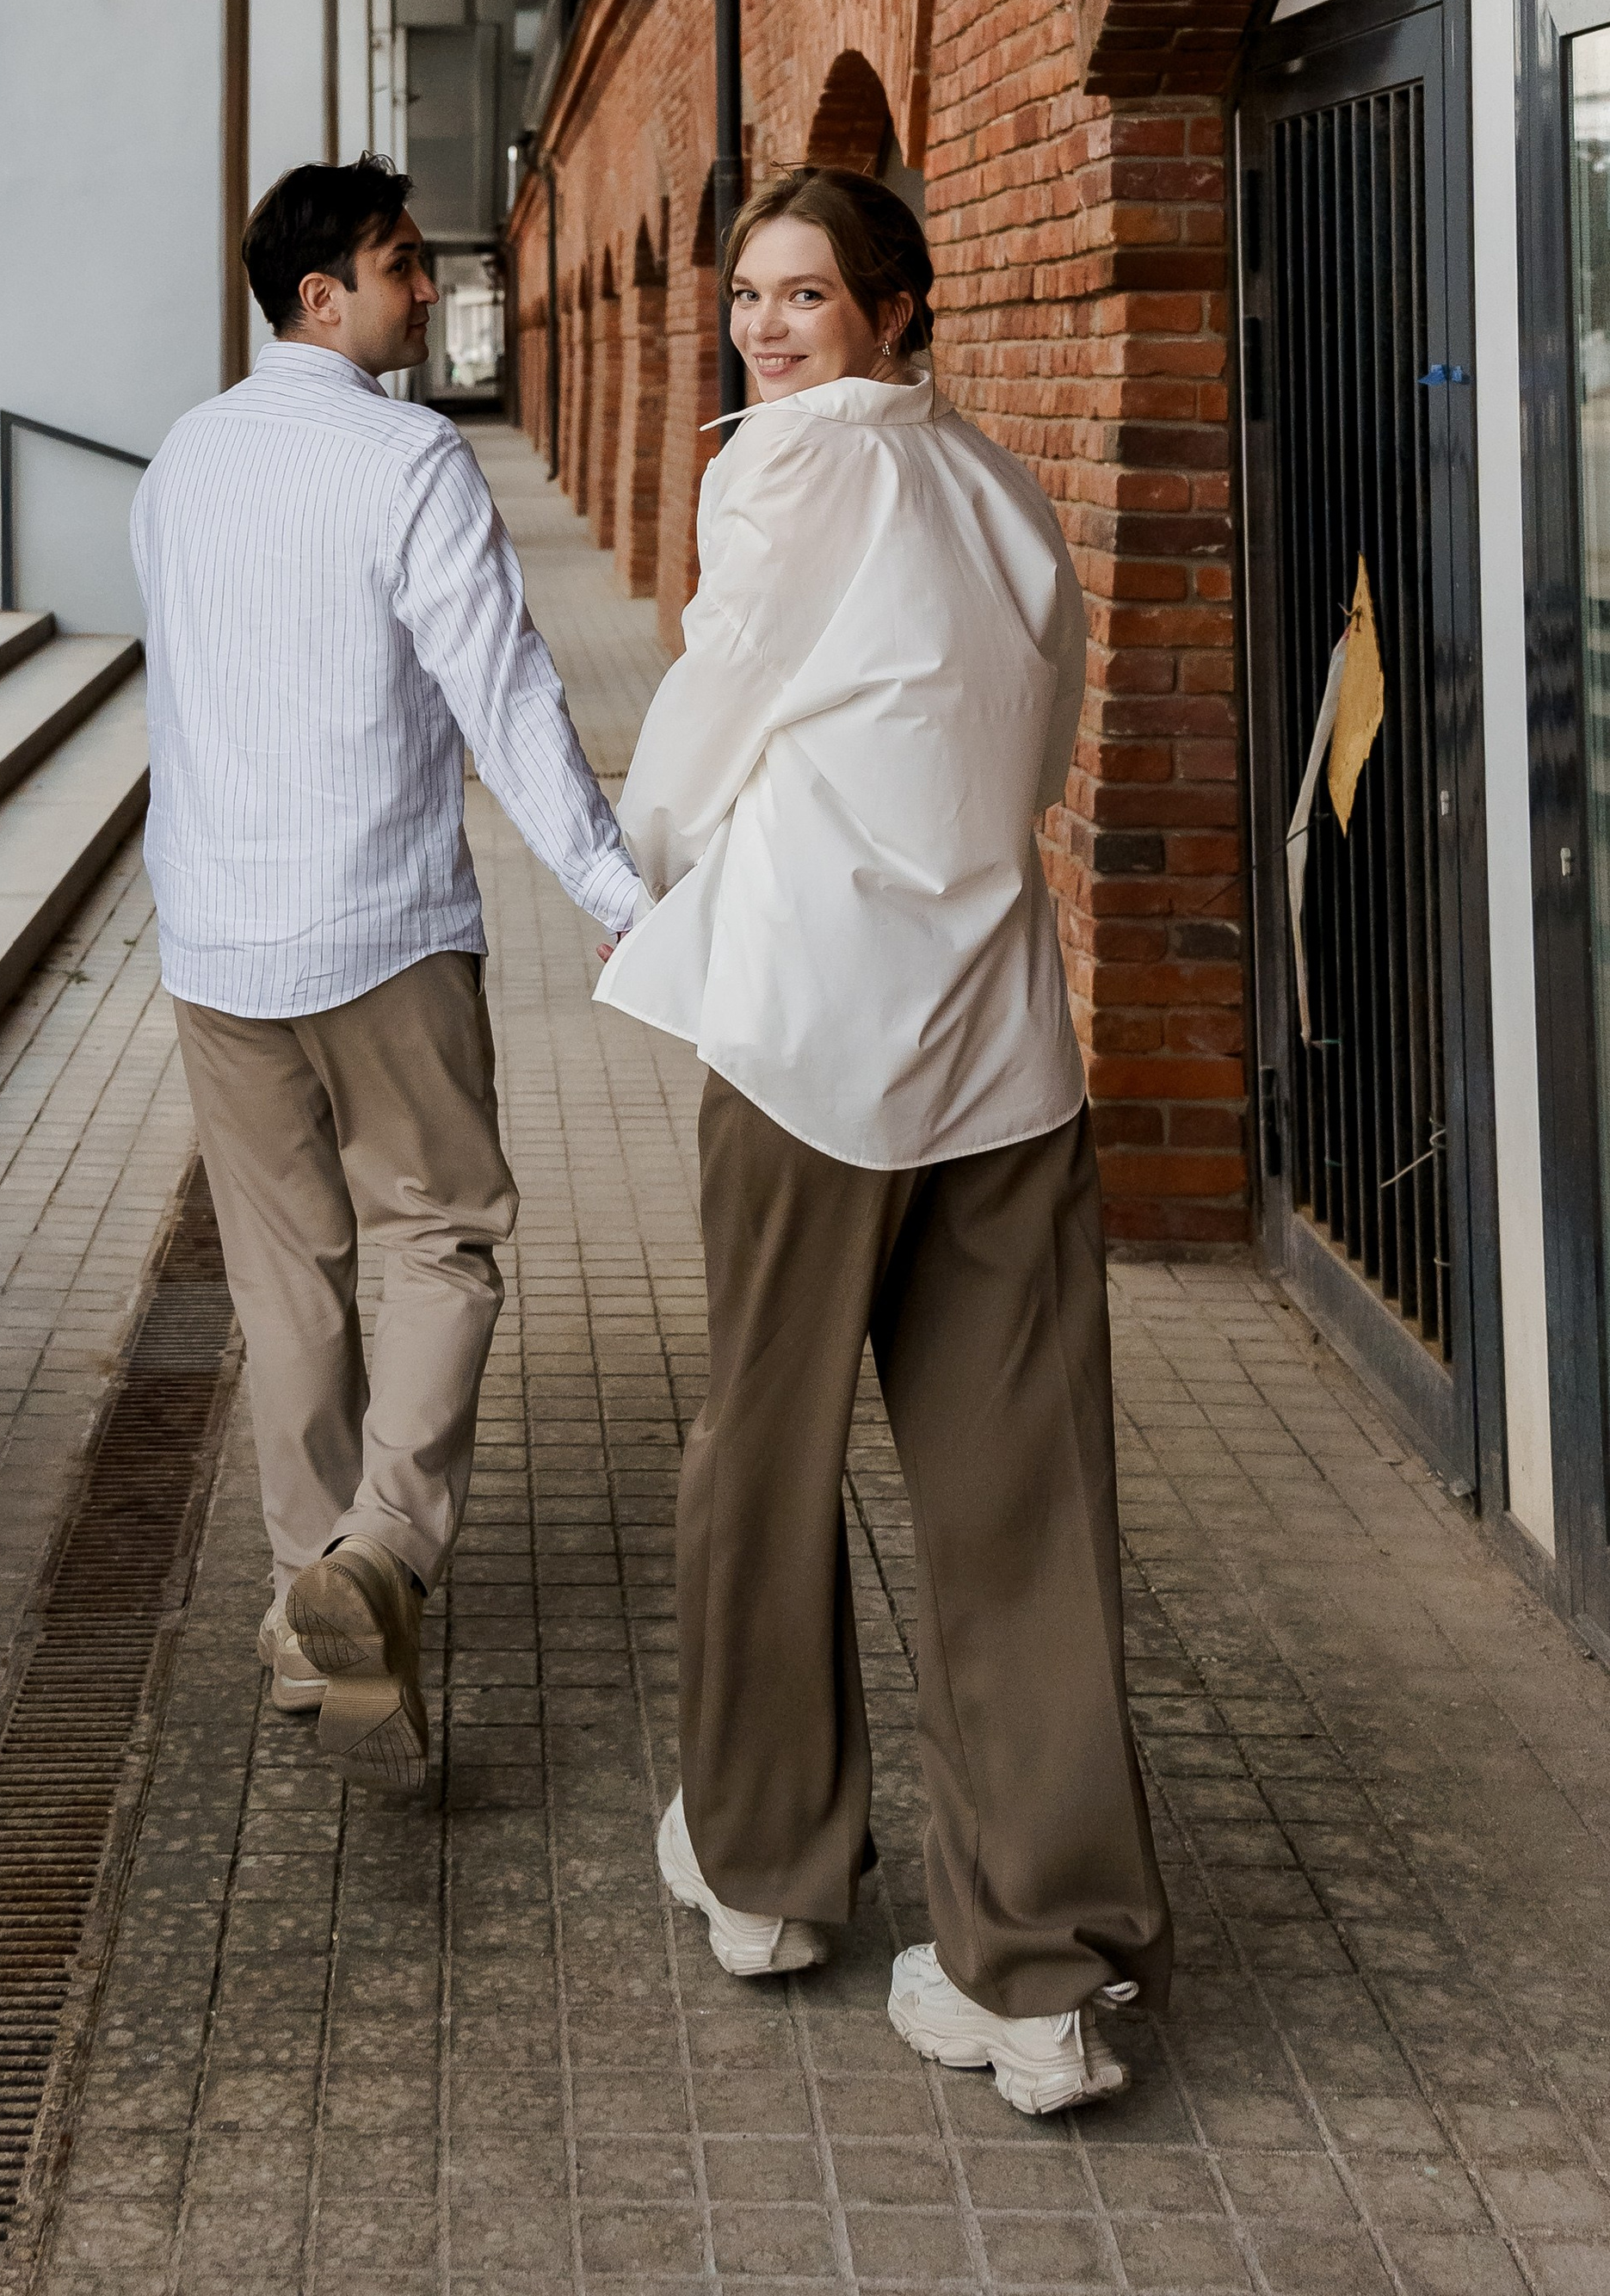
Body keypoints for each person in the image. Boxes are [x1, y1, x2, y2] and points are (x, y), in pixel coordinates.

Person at [595, 163, 1171, 2120]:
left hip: (808, 1041)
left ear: (889, 311)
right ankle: (1036, 1975)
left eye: (805, 296)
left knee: (759, 1446)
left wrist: (647, 868)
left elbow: (707, 710)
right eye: (749, 294)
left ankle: (764, 1876)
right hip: (998, 1051)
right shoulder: (1005, 498)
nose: (765, 329)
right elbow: (1029, 744)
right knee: (1026, 1507)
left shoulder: (788, 465)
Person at [132, 155, 640, 1792]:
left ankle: (308, 1627)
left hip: (218, 941)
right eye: (403, 264)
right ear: (318, 298)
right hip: (380, 933)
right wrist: (612, 885)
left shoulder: (180, 463)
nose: (428, 289)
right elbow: (503, 690)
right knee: (437, 1243)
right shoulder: (410, 457)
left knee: (286, 1280)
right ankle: (381, 1563)